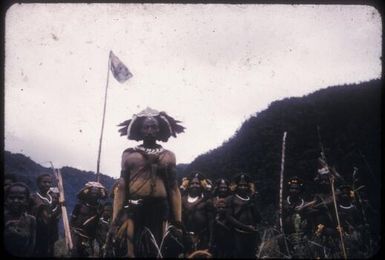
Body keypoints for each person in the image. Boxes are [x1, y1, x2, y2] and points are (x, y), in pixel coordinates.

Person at [109, 107, 185, 257]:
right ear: (140, 130)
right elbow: (122, 187)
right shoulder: (129, 154)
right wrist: (115, 218)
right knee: (128, 250)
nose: (150, 130)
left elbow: (173, 188)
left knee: (162, 250)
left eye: (154, 127)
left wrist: (177, 221)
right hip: (135, 210)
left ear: (159, 130)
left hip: (160, 210)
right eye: (146, 127)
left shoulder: (169, 156)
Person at [226, 173, 261, 258]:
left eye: (245, 185)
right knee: (240, 255)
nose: (243, 187)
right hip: (238, 234)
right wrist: (245, 227)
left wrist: (253, 205)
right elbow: (229, 217)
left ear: (248, 187)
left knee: (252, 255)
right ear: (236, 186)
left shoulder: (251, 199)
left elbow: (258, 218)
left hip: (252, 234)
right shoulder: (231, 199)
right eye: (240, 185)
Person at [70, 181, 108, 257]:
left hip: (91, 238)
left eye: (96, 194)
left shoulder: (100, 208)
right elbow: (72, 221)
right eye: (92, 193)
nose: (94, 195)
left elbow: (102, 224)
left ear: (99, 196)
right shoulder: (79, 206)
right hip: (77, 235)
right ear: (87, 194)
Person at [278, 176, 312, 258]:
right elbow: (281, 218)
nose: (294, 191)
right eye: (292, 188)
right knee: (281, 240)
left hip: (302, 235)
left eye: (296, 189)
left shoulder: (305, 204)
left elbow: (309, 220)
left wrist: (306, 234)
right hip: (287, 235)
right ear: (289, 190)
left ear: (300, 190)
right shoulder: (284, 203)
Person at [30, 173, 61, 257]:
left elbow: (57, 215)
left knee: (50, 252)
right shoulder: (33, 197)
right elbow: (32, 215)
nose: (47, 184)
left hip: (51, 232)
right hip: (38, 232)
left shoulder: (54, 197)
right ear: (38, 183)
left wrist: (60, 205)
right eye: (44, 182)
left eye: (49, 182)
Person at [181, 172, 212, 255]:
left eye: (197, 183)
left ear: (201, 185)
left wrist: (210, 241)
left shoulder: (206, 201)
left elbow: (211, 223)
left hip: (201, 238)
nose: (194, 185)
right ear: (188, 185)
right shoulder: (181, 200)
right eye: (192, 183)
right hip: (183, 237)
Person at [4, 182, 36, 257]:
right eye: (11, 198)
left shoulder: (31, 220)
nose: (15, 201)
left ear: (27, 201)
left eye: (20, 198)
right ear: (6, 200)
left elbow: (32, 245)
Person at [208, 178, 232, 258]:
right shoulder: (213, 199)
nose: (223, 189)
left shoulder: (231, 199)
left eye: (225, 188)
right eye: (221, 187)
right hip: (215, 232)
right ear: (217, 188)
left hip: (229, 231)